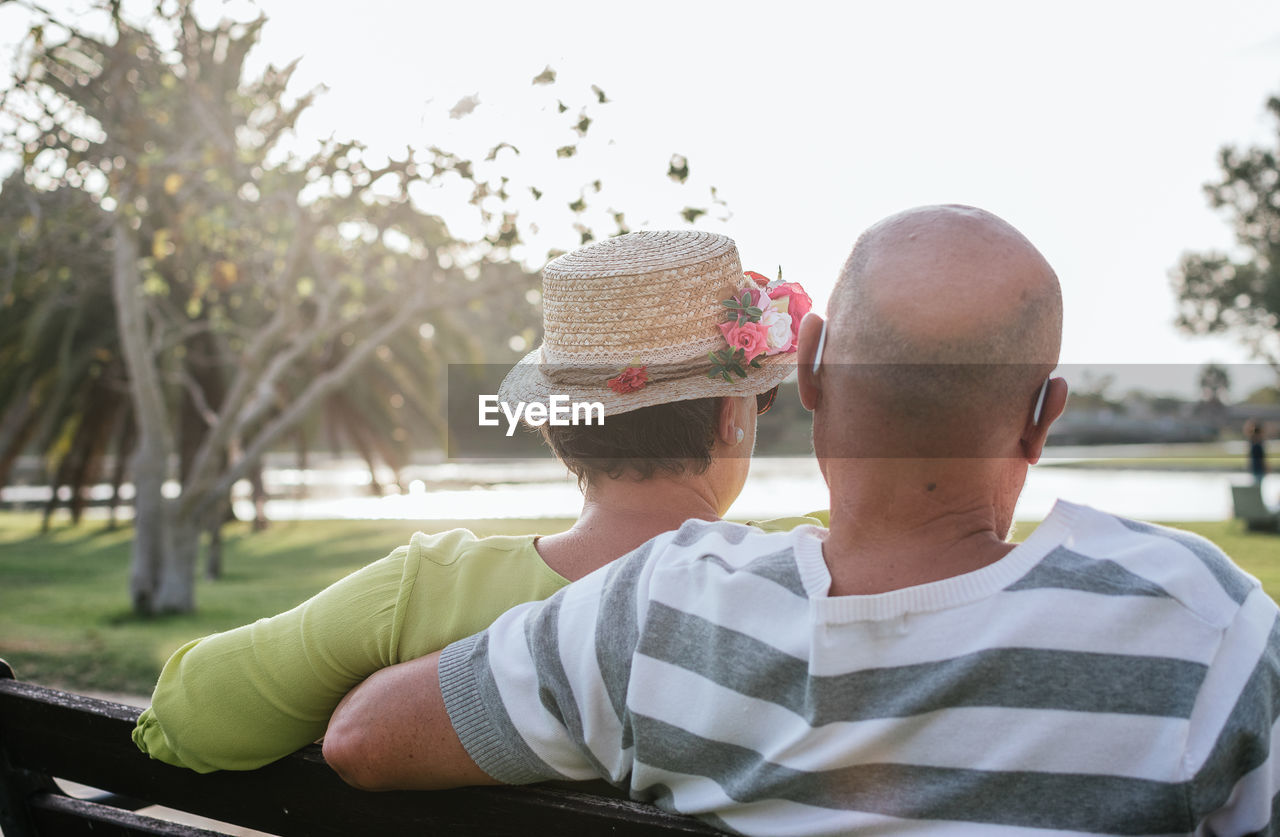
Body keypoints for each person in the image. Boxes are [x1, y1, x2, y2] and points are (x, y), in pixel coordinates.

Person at [324, 205, 1280, 835]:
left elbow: (361, 738)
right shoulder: (1207, 631)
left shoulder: (661, 613)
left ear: (811, 371)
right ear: (1044, 417)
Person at [132, 229, 821, 772]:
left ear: (559, 427)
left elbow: (186, 720)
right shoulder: (815, 570)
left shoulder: (426, 591)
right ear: (733, 416)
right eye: (759, 397)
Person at [1248, 419, 1268, 485]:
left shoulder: (1253, 442)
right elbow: (1262, 458)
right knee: (1257, 485)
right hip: (1258, 469)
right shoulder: (1257, 444)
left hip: (1256, 469)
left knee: (1257, 485)